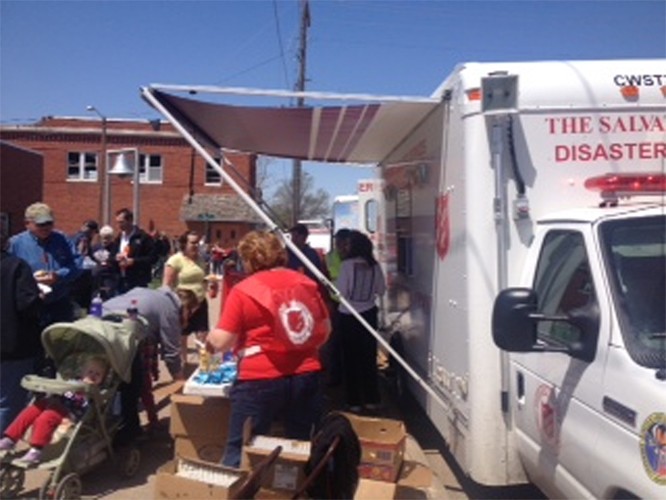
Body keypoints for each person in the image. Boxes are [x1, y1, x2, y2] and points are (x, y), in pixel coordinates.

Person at [206, 231, 331, 468]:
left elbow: (223, 341)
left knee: (241, 449)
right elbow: (325, 330)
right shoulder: (306, 284)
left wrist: (211, 338)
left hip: (259, 378)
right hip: (307, 374)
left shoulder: (244, 290)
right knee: (302, 448)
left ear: (249, 259)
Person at [103, 286, 185, 439]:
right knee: (131, 383)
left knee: (106, 383)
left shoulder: (143, 292)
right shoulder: (169, 307)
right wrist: (180, 382)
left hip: (99, 326)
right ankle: (128, 433)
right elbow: (171, 351)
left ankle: (107, 424)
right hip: (123, 334)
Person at [0, 355, 109, 464]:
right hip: (56, 402)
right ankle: (10, 438)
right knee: (31, 410)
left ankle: (36, 450)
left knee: (46, 417)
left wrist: (88, 391)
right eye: (90, 372)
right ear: (82, 372)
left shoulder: (95, 391)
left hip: (70, 410)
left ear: (103, 378)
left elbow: (89, 403)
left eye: (98, 374)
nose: (93, 376)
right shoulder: (72, 381)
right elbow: (61, 388)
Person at [336, 231, 386, 412]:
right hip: (369, 314)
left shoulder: (347, 266)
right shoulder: (374, 266)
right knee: (368, 357)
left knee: (350, 359)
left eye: (348, 244)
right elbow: (381, 290)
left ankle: (354, 401)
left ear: (354, 246)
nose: (346, 247)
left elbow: (341, 291)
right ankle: (372, 398)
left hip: (349, 316)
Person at [8, 202, 79, 331]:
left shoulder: (62, 239)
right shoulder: (15, 244)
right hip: (31, 305)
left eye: (49, 223)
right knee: (32, 346)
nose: (46, 228)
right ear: (27, 224)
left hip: (59, 303)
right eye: (41, 224)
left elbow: (77, 265)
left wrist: (58, 275)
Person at [0, 228, 43, 435]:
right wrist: (39, 297)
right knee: (8, 402)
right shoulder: (16, 266)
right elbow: (27, 305)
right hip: (12, 344)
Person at [162, 230, 209, 367]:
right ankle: (183, 365)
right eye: (192, 243)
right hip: (183, 304)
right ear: (184, 244)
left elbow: (202, 279)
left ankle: (204, 365)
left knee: (202, 334)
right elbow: (166, 284)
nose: (196, 246)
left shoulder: (200, 259)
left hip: (200, 302)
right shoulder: (175, 260)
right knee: (182, 336)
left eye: (197, 243)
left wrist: (209, 285)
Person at [322, 228, 352, 387]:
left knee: (350, 342)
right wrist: (327, 302)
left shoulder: (354, 259)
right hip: (336, 303)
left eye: (343, 242)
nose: (340, 245)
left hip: (353, 304)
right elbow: (323, 279)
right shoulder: (329, 258)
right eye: (338, 242)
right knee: (333, 342)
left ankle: (350, 375)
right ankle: (335, 376)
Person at [113, 208, 156, 293]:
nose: (119, 225)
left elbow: (152, 258)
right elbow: (111, 255)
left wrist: (133, 261)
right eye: (117, 222)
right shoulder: (119, 238)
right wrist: (116, 258)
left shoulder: (143, 237)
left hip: (138, 280)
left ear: (130, 220)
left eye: (121, 222)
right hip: (121, 279)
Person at [90, 224, 120, 300]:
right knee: (96, 296)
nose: (105, 240)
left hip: (110, 276)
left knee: (108, 295)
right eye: (103, 238)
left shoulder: (115, 248)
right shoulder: (95, 248)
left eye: (107, 238)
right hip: (97, 277)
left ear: (111, 238)